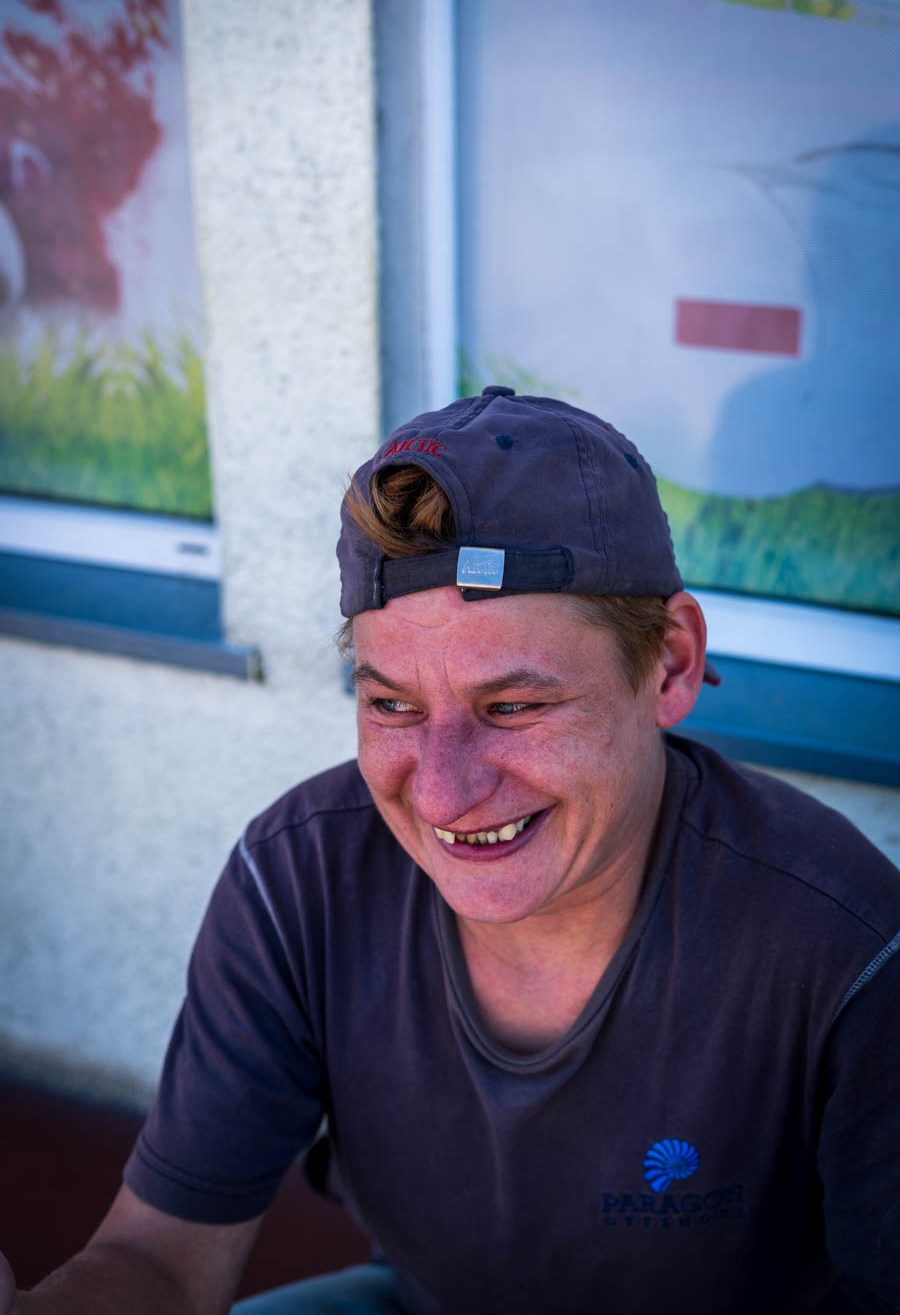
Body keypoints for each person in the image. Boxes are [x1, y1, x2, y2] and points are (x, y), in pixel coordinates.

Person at [2, 387, 899, 1314]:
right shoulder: (298, 876)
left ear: (668, 664)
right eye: (391, 704)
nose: (438, 792)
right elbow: (162, 1262)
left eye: (512, 708)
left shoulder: (849, 952)